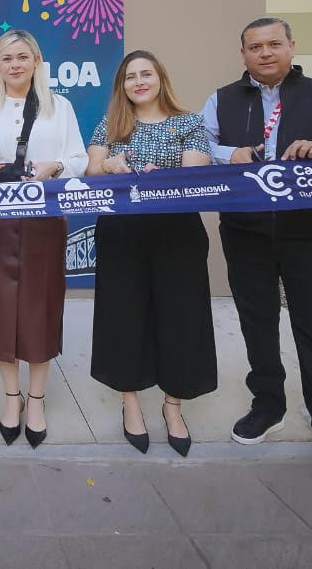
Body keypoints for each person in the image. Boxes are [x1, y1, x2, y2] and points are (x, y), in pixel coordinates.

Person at [201, 17, 312, 477]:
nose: (265, 53)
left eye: (274, 44)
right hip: (245, 231)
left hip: (311, 232)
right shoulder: (222, 99)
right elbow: (198, 146)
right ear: (243, 54)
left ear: (292, 47)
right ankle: (268, 404)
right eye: (255, 46)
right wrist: (229, 154)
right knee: (257, 321)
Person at [0, 30, 87, 449]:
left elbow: (79, 159)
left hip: (44, 220)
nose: (15, 64)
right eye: (6, 58)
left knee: (39, 308)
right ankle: (11, 398)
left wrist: (56, 166)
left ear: (36, 61)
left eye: (22, 56)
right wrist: (1, 172)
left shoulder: (59, 107)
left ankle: (36, 399)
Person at [87, 50, 215, 457]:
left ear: (160, 79)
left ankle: (172, 405)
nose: (138, 82)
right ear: (121, 86)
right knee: (124, 317)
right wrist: (109, 167)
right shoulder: (111, 124)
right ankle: (130, 404)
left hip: (177, 232)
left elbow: (195, 171)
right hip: (122, 232)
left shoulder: (189, 122)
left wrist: (156, 175)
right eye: (130, 76)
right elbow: (91, 171)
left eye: (146, 74)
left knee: (181, 317)